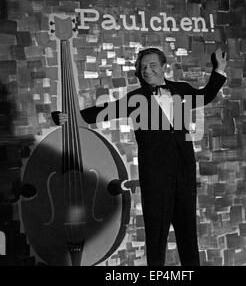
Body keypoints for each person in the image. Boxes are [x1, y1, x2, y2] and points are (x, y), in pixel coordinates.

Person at [53, 47, 227, 266]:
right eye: (143, 67)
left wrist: (219, 70)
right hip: (155, 176)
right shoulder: (136, 99)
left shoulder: (180, 89)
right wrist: (69, 117)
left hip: (184, 172)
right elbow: (106, 110)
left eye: (152, 65)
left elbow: (205, 95)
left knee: (188, 235)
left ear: (164, 67)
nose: (147, 70)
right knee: (156, 237)